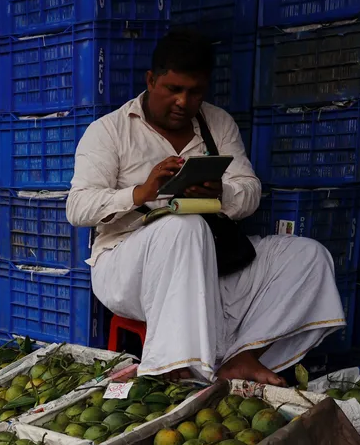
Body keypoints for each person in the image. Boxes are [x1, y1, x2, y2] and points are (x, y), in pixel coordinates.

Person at [66, 30, 344, 385]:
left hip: (210, 260)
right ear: (151, 81)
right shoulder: (108, 131)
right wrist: (141, 192)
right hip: (126, 267)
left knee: (307, 255)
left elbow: (250, 190)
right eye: (173, 89)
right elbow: (77, 208)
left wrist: (220, 192)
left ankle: (242, 357)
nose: (183, 101)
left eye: (194, 92)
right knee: (183, 226)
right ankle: (176, 370)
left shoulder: (218, 123)